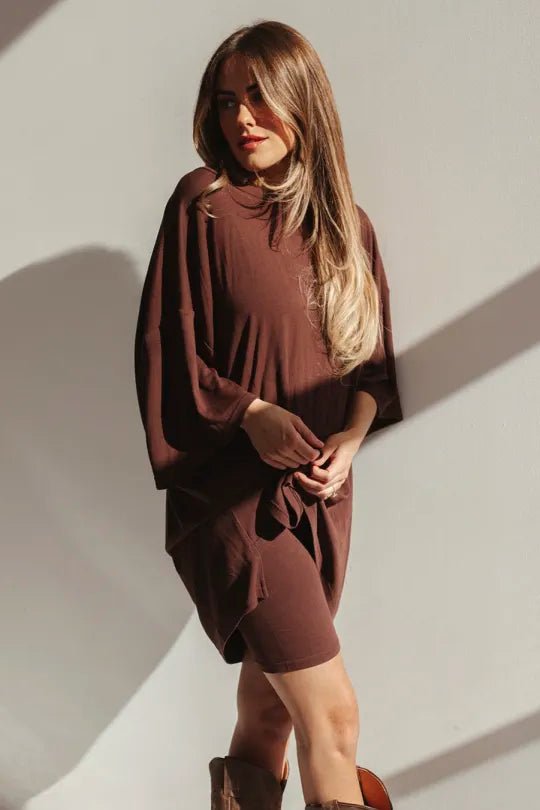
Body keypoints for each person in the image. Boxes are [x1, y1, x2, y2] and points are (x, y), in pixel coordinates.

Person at [134, 19, 403, 810]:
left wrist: (349, 442)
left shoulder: (349, 229)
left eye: (259, 97)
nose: (242, 119)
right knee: (334, 719)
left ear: (301, 99)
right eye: (226, 102)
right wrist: (251, 412)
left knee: (268, 718)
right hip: (239, 502)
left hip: (320, 500)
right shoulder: (205, 205)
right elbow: (168, 351)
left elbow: (371, 368)